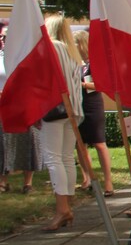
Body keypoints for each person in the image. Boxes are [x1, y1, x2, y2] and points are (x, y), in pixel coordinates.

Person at [40, 14, 84, 231]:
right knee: (66, 156)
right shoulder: (71, 51)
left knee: (53, 157)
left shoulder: (53, 47)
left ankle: (62, 208)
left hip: (55, 108)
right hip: (72, 109)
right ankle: (67, 203)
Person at [0, 24, 43, 194]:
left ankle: (28, 182)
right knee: (2, 141)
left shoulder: (28, 57)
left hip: (25, 104)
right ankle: (3, 181)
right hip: (4, 106)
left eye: (6, 37)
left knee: (29, 141)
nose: (3, 40)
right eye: (2, 37)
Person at [73, 30, 114, 197]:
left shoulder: (94, 62)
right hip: (77, 104)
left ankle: (108, 182)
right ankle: (88, 178)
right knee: (80, 144)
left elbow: (101, 85)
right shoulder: (75, 63)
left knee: (98, 142)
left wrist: (82, 85)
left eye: (75, 43)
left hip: (92, 105)